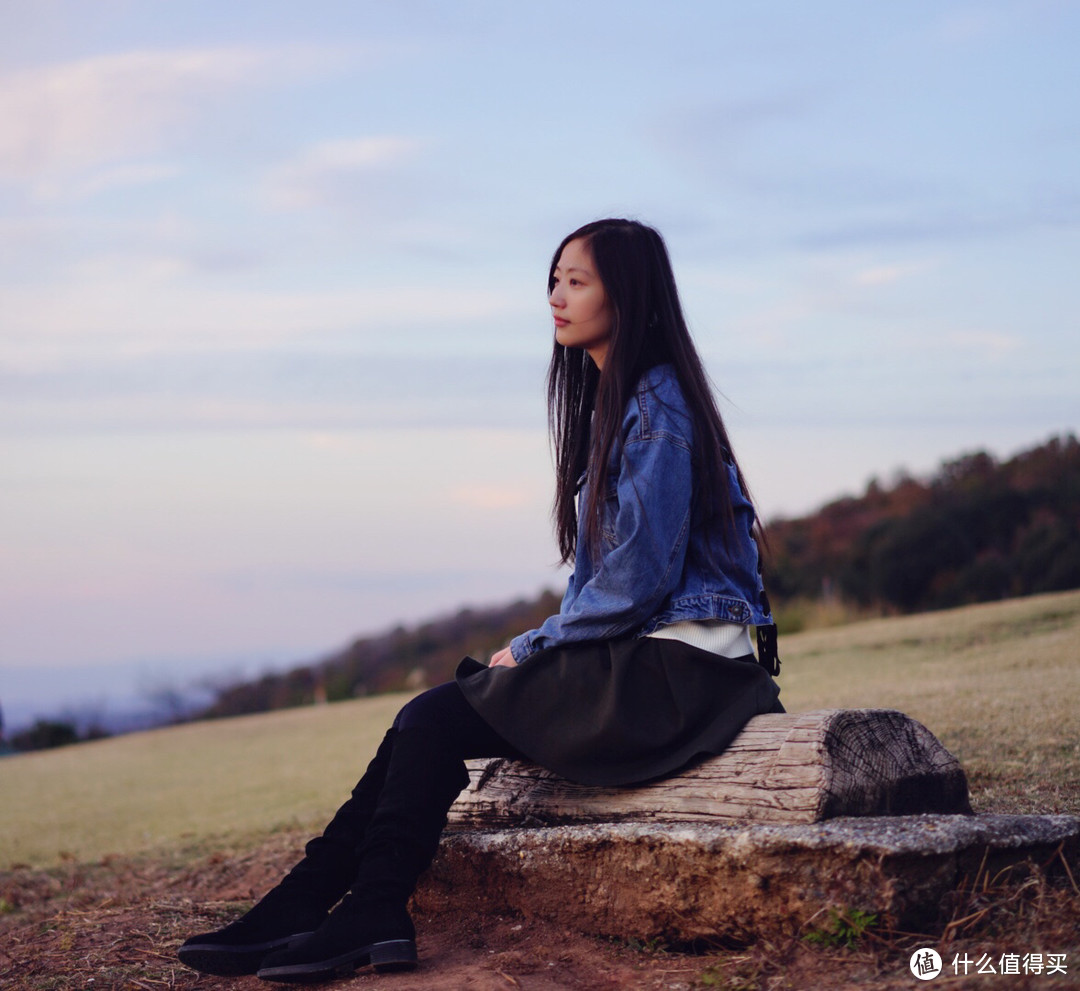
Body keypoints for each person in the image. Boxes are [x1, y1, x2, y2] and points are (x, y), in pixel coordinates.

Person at [177, 218, 782, 984]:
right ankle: (318, 900)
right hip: (656, 661)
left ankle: (353, 907)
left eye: (576, 280)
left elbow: (635, 583)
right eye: (553, 280)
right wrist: (545, 646)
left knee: (430, 716)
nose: (557, 297)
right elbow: (615, 581)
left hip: (684, 673)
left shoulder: (657, 405)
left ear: (626, 294)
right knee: (424, 722)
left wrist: (534, 646)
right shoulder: (621, 401)